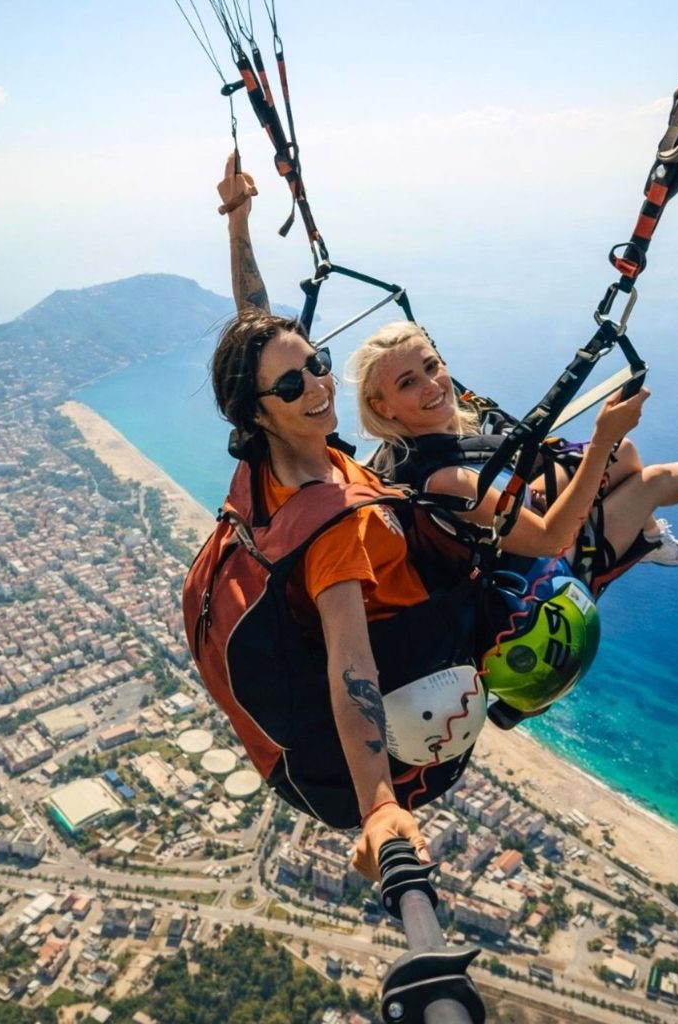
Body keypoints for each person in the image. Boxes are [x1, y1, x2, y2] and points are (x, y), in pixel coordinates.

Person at [185, 156, 487, 881]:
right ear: (259, 410)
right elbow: (351, 662)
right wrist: (380, 803)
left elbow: (254, 328)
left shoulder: (270, 456)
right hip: (412, 684)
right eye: (295, 383)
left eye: (318, 363)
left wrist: (238, 223)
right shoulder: (327, 523)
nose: (319, 384)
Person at [349, 321, 678, 592]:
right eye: (408, 383)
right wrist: (602, 434)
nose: (432, 384)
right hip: (537, 568)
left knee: (622, 453)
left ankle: (650, 532)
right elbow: (549, 540)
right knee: (652, 481)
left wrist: (607, 446)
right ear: (383, 407)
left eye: (431, 366)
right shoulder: (448, 480)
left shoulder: (403, 449)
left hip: (511, 522)